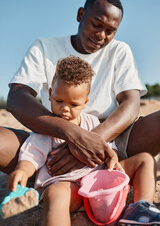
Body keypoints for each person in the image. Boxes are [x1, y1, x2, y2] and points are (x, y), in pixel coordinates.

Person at [7, 56, 160, 226]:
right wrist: (22, 170)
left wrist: (113, 158)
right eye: (59, 101)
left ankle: (139, 208)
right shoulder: (46, 129)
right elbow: (32, 156)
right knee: (55, 193)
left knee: (145, 159)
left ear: (85, 102)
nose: (65, 108)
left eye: (73, 104)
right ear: (50, 94)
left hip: (100, 180)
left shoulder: (92, 123)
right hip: (71, 188)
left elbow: (108, 148)